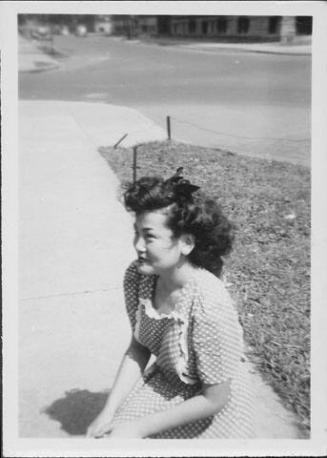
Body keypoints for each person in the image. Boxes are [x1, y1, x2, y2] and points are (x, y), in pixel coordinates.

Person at [87, 168, 254, 439]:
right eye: (136, 233)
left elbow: (215, 398)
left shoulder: (208, 306)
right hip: (170, 383)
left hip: (213, 407)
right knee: (109, 436)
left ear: (186, 243)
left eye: (149, 236)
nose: (138, 245)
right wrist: (108, 411)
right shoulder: (138, 277)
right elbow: (138, 348)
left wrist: (138, 428)